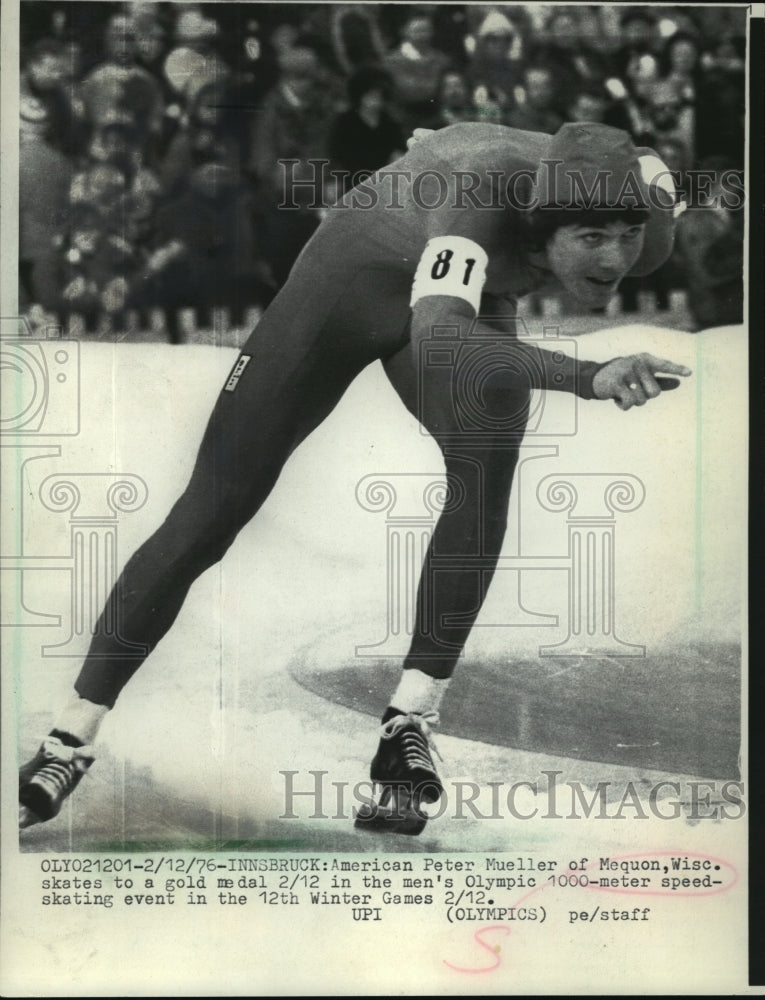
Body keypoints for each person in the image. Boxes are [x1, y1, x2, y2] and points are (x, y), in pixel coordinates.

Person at [19, 121, 691, 833]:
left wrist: (450, 143)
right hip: (351, 282)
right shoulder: (476, 205)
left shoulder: (643, 228)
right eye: (590, 239)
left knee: (488, 452)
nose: (615, 259)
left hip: (458, 264)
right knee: (214, 508)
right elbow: (440, 336)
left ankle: (408, 725)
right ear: (541, 223)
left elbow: (638, 171)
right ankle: (70, 736)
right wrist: (588, 375)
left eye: (625, 234)